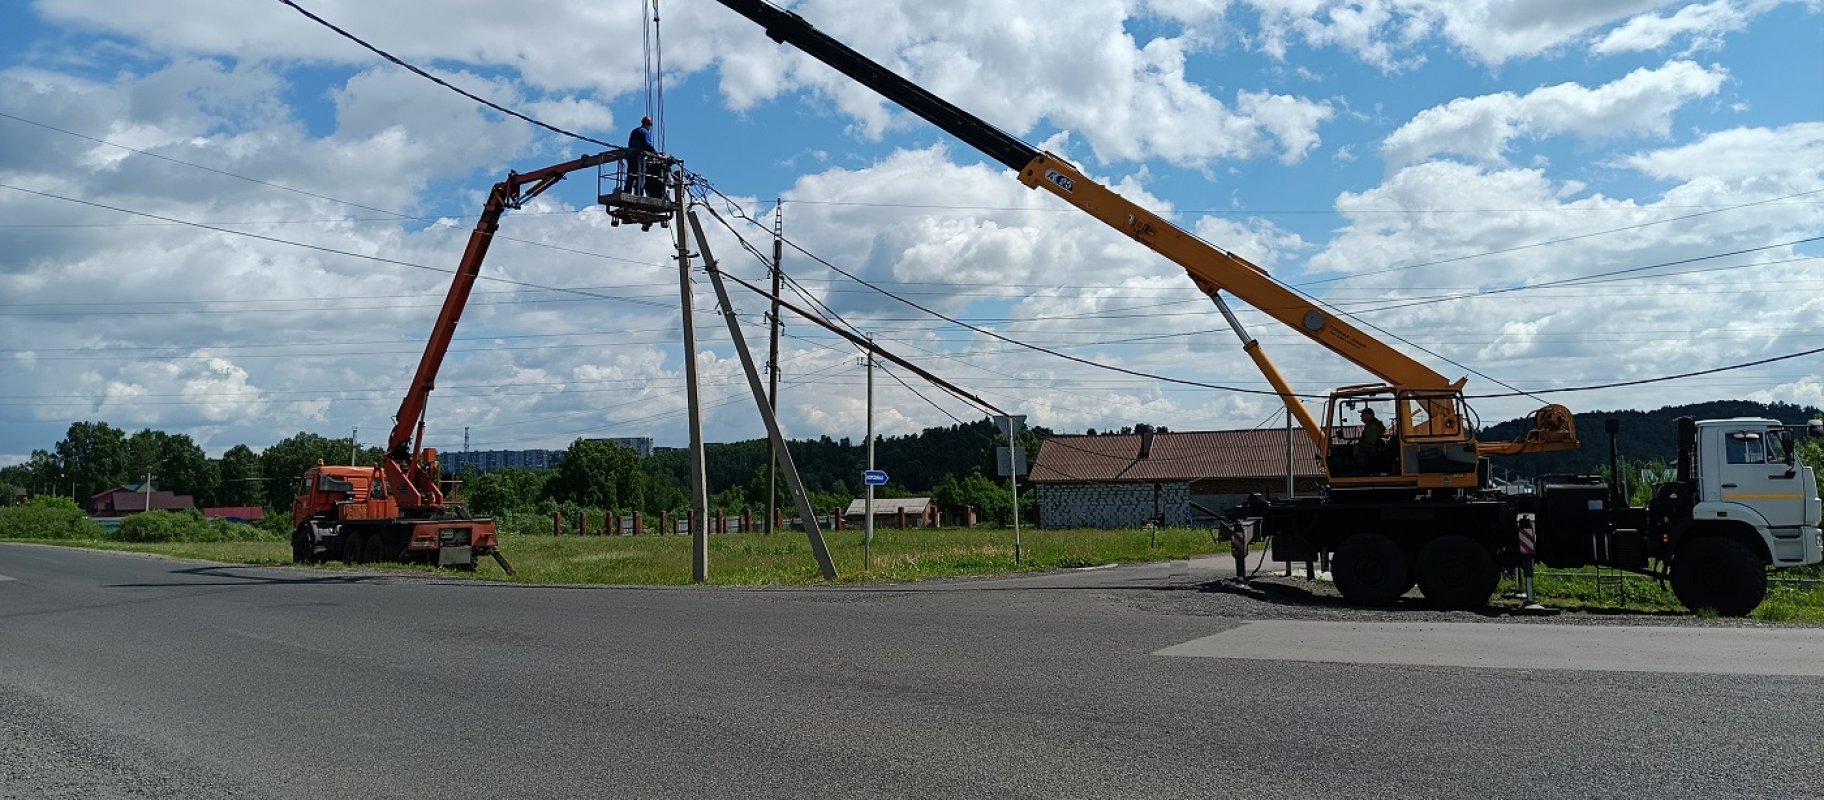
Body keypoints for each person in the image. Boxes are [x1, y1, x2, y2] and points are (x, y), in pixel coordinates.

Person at [624, 115, 657, 195]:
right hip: (638, 157)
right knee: (640, 175)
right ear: (648, 125)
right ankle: (639, 193)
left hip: (631, 156)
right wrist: (656, 153)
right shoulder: (644, 132)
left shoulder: (635, 131)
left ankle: (627, 192)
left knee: (630, 175)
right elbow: (647, 145)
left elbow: (630, 143)